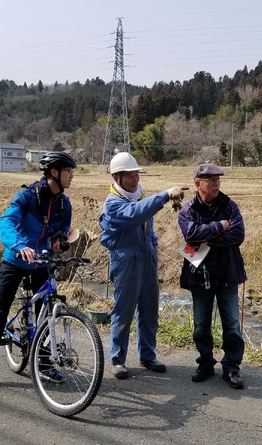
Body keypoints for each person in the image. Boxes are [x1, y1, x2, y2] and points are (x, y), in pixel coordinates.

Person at [0, 151, 76, 391]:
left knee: (47, 312)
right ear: (54, 173)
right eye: (68, 171)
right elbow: (6, 221)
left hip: (42, 261)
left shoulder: (64, 203)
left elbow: (61, 228)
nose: (72, 176)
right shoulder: (27, 196)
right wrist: (20, 245)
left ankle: (43, 362)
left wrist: (59, 240)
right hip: (16, 260)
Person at [99, 152, 183, 380]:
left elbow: (148, 225)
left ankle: (147, 355)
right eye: (129, 176)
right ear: (117, 178)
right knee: (123, 311)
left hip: (147, 258)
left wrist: (153, 247)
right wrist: (164, 195)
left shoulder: (138, 195)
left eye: (136, 175)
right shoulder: (114, 203)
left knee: (149, 309)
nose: (134, 179)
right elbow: (135, 215)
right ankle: (118, 359)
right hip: (126, 261)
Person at [178, 163, 247, 389]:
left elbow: (238, 235)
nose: (217, 183)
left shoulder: (230, 205)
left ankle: (231, 368)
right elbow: (190, 234)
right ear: (198, 184)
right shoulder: (188, 210)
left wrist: (206, 238)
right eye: (211, 180)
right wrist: (220, 225)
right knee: (200, 325)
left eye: (218, 179)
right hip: (200, 275)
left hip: (227, 273)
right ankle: (205, 363)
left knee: (232, 325)